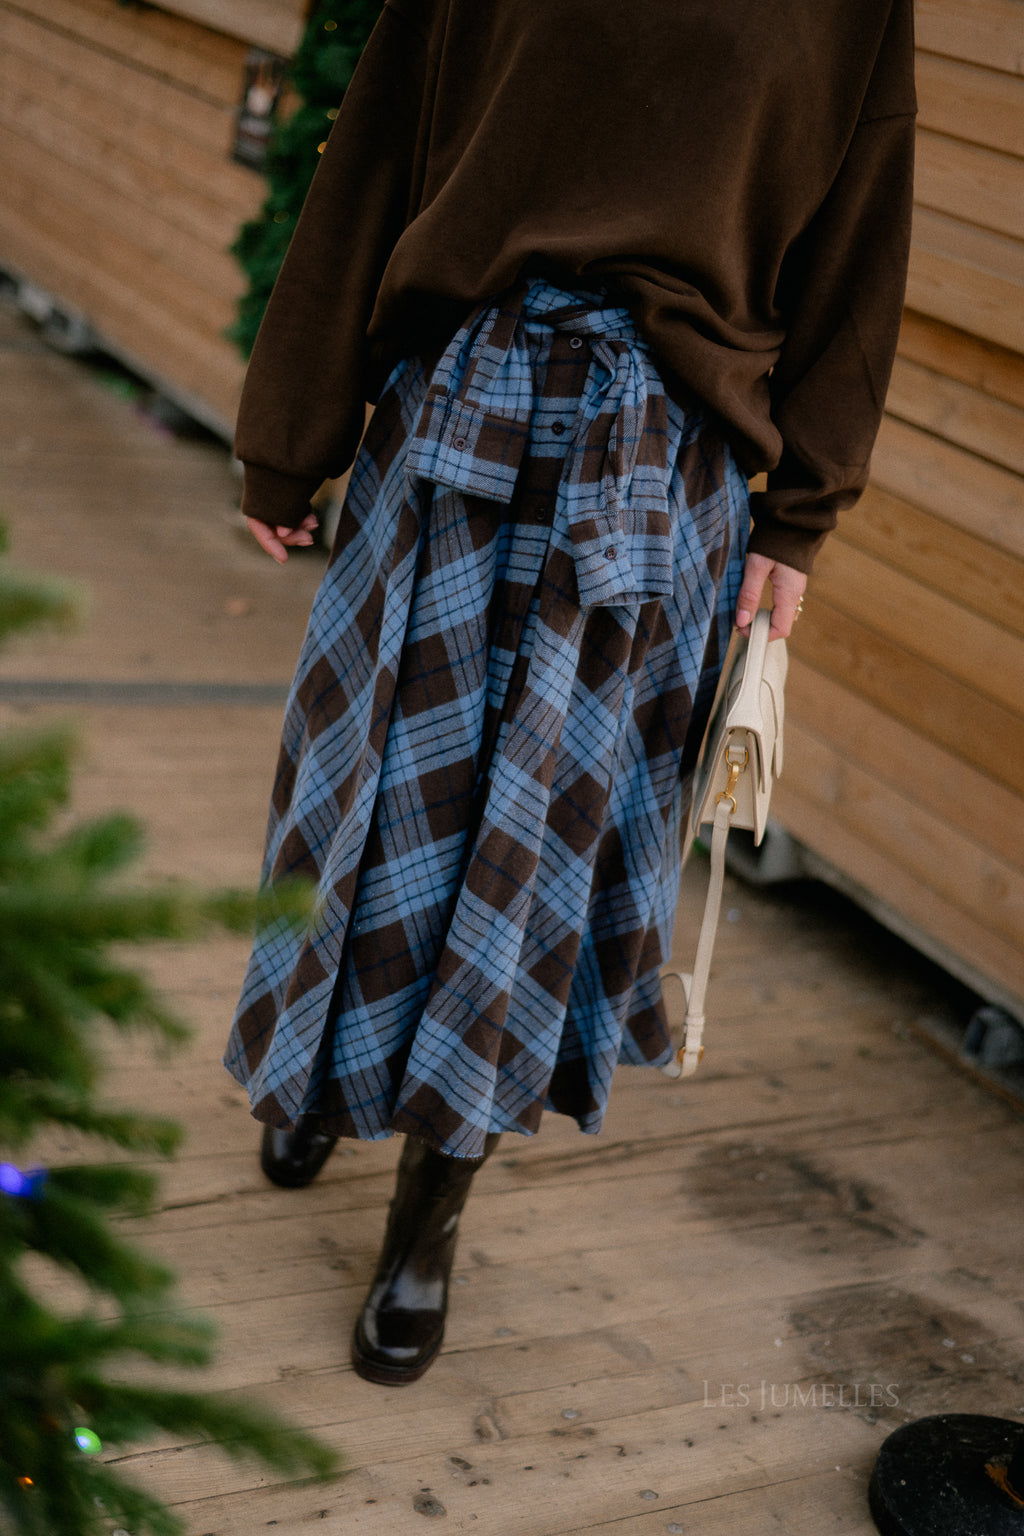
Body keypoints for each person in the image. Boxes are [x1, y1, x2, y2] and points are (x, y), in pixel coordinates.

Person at [224, 0, 916, 1386]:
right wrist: (288, 434)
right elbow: (374, 154)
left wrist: (801, 520)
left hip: (663, 473)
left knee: (534, 856)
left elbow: (860, 240)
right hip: (456, 416)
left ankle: (432, 1211)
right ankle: (316, 1063)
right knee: (369, 788)